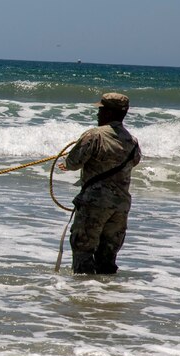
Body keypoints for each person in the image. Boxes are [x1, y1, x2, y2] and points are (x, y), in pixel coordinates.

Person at [59, 92, 142, 275]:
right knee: (107, 259)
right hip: (120, 207)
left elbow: (73, 163)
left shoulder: (94, 136)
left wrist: (65, 164)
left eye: (101, 110)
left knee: (83, 253)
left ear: (109, 113)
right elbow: (134, 162)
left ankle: (85, 298)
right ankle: (105, 298)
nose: (98, 114)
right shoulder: (133, 142)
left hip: (95, 203)